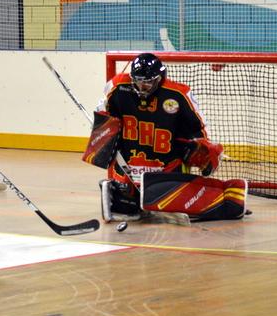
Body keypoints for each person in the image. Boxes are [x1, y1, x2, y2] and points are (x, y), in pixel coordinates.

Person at [83, 52, 246, 223]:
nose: (142, 86)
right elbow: (103, 116)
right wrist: (102, 130)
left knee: (174, 202)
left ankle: (228, 197)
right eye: (138, 81)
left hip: (167, 169)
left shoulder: (179, 94)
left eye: (148, 82)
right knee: (122, 206)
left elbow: (199, 132)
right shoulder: (117, 87)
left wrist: (197, 149)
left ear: (160, 78)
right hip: (129, 167)